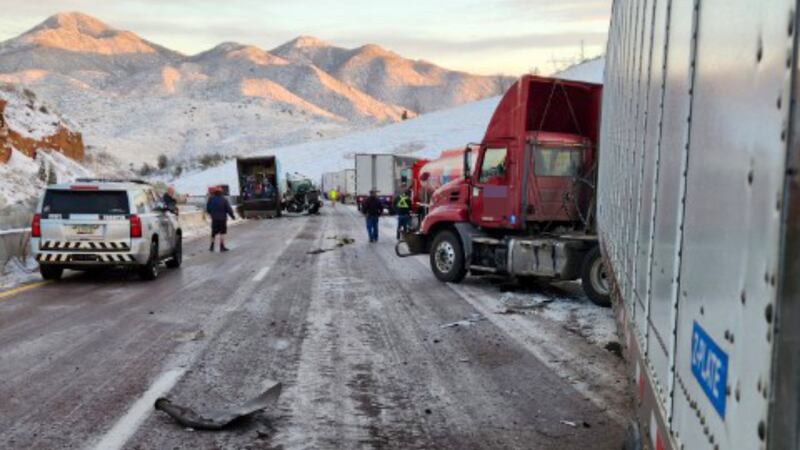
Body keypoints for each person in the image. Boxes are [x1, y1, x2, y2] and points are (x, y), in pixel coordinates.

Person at [206, 188, 236, 252]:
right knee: (222, 232)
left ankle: (211, 246)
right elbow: (228, 209)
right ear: (221, 193)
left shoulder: (211, 199)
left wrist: (211, 214)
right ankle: (222, 246)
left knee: (213, 232)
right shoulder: (224, 199)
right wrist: (232, 216)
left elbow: (208, 208)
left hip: (215, 219)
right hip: (222, 219)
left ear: (214, 193)